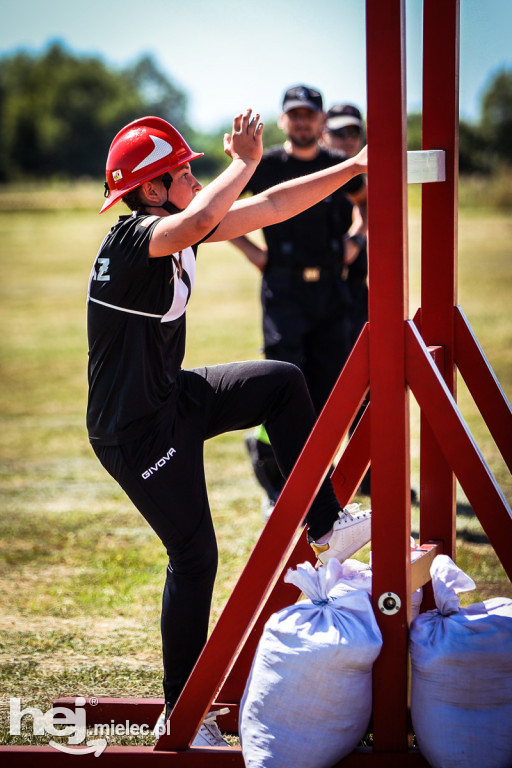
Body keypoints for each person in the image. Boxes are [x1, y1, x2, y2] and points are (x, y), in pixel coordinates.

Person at [87, 111, 370, 744]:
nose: (194, 175)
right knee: (194, 557)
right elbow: (204, 214)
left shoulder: (173, 230)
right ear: (152, 189)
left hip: (171, 400)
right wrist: (242, 160)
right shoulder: (136, 239)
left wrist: (352, 170)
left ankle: (325, 526)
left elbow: (269, 206)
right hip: (134, 432)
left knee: (281, 382)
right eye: (182, 171)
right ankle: (180, 716)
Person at [229, 86, 368, 515]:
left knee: (329, 392)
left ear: (321, 120)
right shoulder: (267, 165)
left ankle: (318, 487)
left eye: (311, 114)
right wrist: (254, 253)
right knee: (284, 382)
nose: (304, 121)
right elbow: (217, 207)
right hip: (284, 291)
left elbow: (368, 200)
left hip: (331, 290)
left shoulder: (338, 166)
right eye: (296, 114)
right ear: (284, 120)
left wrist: (356, 240)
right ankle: (278, 482)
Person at [322, 104, 371, 494]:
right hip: (316, 296)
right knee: (322, 386)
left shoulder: (366, 179)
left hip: (356, 292)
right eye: (338, 133)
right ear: (325, 135)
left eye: (352, 133)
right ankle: (309, 477)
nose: (346, 140)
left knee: (368, 383)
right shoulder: (318, 176)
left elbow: (371, 211)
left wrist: (356, 239)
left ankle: (366, 470)